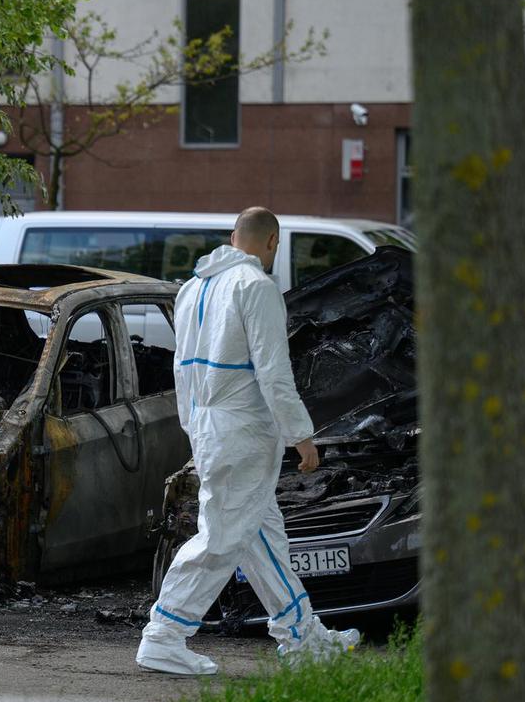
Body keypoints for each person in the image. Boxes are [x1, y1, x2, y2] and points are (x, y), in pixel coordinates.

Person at [136, 207, 360, 676]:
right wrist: (302, 436)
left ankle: (302, 637)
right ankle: (164, 634)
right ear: (272, 242)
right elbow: (275, 373)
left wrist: (195, 431)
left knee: (262, 539)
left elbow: (182, 372)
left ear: (233, 237)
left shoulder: (193, 288)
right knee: (220, 539)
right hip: (243, 431)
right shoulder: (256, 287)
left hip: (211, 426)